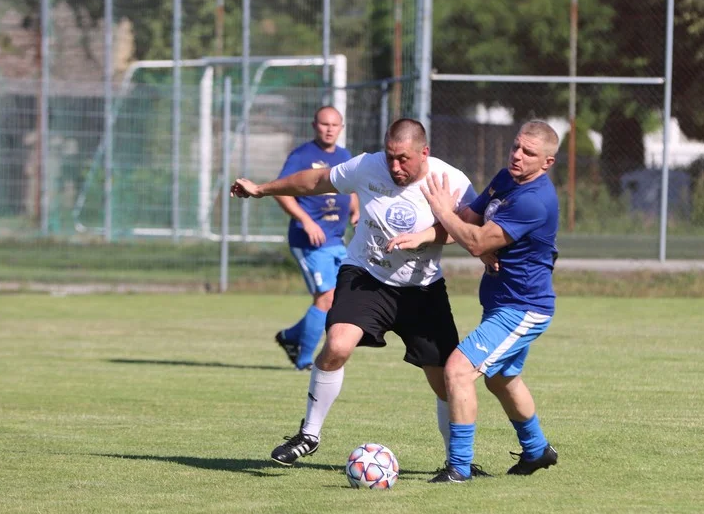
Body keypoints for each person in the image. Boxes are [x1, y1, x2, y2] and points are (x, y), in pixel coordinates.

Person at [230, 118, 480, 471]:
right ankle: (309, 435)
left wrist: (423, 237)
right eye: (390, 156)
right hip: (367, 276)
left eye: (404, 159)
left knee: (446, 382)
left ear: (424, 152)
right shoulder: (367, 165)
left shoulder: (450, 180)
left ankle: (457, 462)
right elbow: (316, 181)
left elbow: (469, 229)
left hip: (422, 289)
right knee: (338, 345)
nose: (395, 166)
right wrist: (263, 189)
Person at [389, 120, 561, 483]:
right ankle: (537, 451)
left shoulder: (534, 201)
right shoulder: (505, 179)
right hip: (503, 303)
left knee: (457, 370)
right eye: (516, 146)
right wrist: (423, 234)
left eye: (528, 152)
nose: (517, 155)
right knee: (501, 378)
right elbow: (468, 220)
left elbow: (478, 241)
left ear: (547, 162)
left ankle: (459, 467)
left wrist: (442, 210)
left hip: (523, 307)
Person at [272, 106, 359, 371]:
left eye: (335, 125)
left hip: (335, 239)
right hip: (308, 242)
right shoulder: (302, 156)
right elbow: (280, 191)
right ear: (314, 125)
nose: (330, 129)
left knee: (340, 298)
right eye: (324, 124)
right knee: (326, 298)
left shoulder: (344, 156)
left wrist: (356, 210)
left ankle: (290, 337)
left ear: (341, 127)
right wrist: (306, 220)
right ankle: (305, 360)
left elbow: (352, 186)